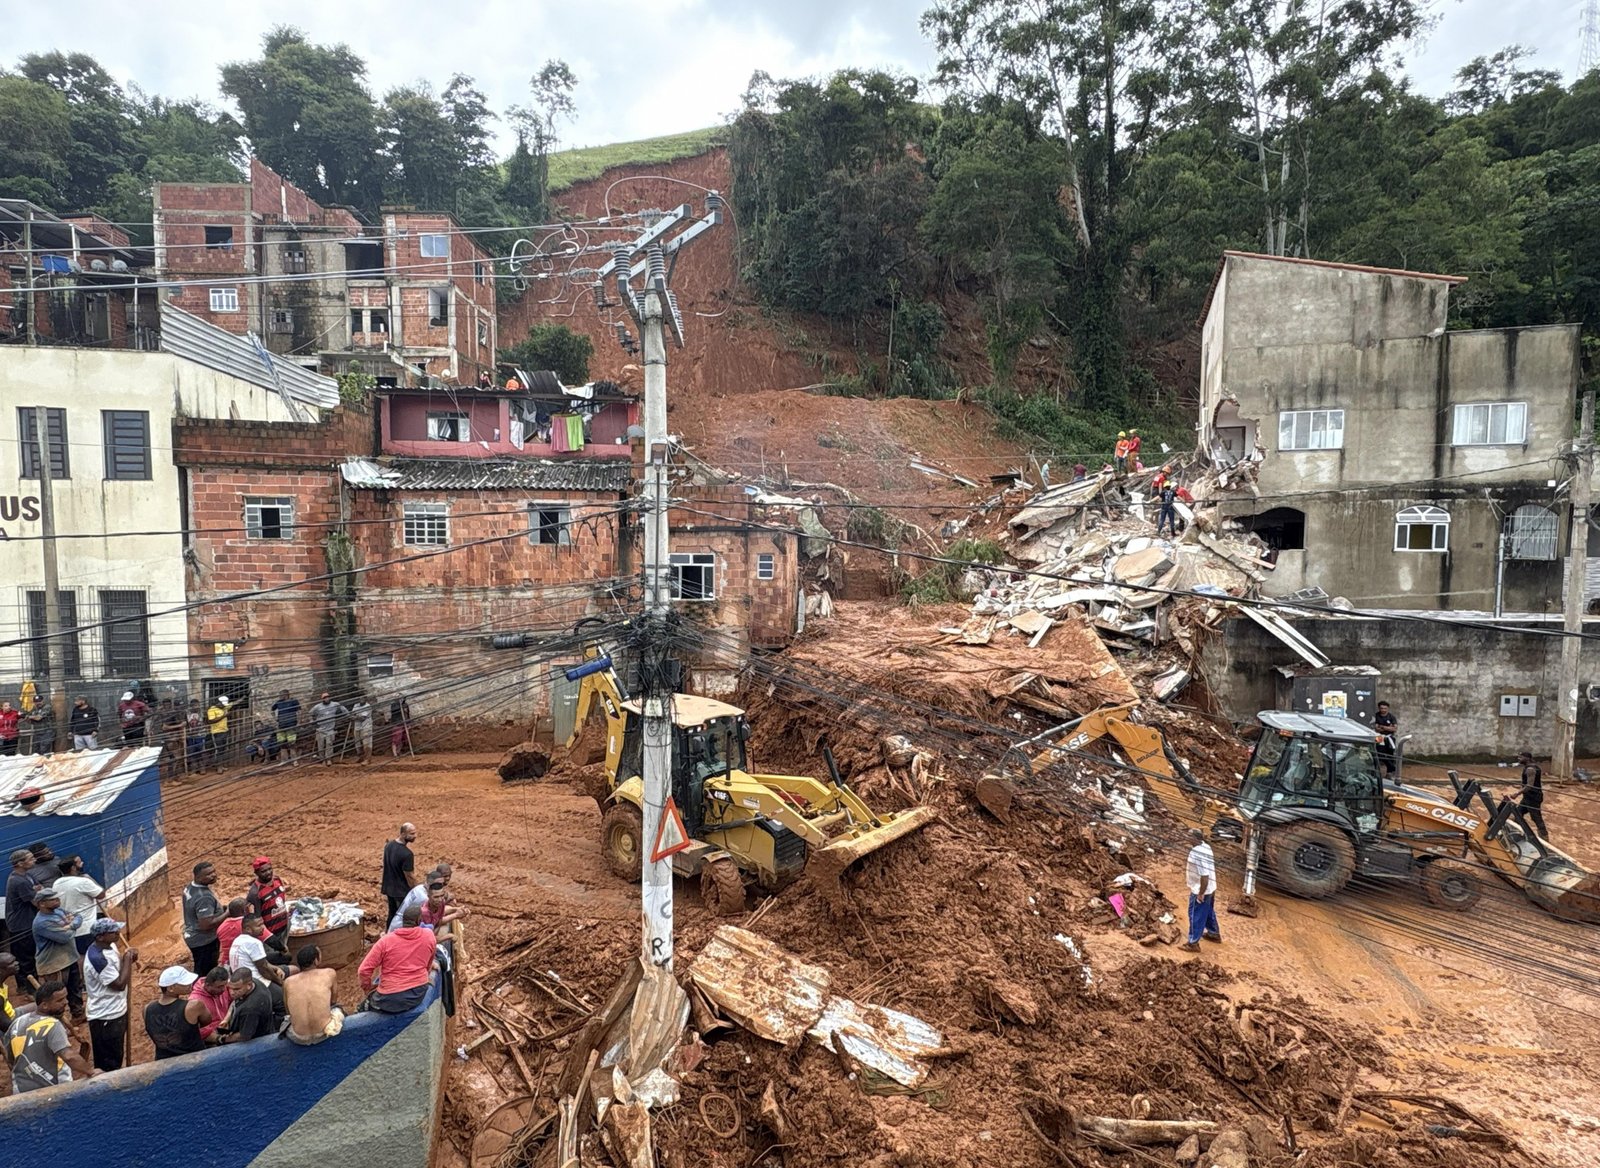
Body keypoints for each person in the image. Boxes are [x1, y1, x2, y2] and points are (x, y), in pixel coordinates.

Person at [6, 980, 98, 1091]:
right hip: (54, 1089)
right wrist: (91, 1071)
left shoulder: (17, 1023)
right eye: (60, 1000)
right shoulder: (52, 1025)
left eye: (65, 997)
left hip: (21, 1090)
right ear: (44, 1005)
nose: (66, 1002)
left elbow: (10, 1058)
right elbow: (69, 1056)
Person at [359, 904, 438, 1013]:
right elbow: (428, 966)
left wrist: (367, 987)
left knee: (364, 1007)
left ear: (403, 920)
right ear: (419, 920)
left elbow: (363, 970)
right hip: (417, 993)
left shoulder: (385, 941)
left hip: (389, 997)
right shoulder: (429, 936)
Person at [82, 918, 136, 1072]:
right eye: (113, 932)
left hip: (116, 1010)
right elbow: (119, 985)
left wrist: (129, 960)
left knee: (116, 1054)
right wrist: (127, 959)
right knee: (109, 1063)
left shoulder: (110, 945)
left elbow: (119, 969)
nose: (118, 934)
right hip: (106, 1016)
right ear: (100, 937)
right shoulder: (97, 959)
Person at [31, 888, 85, 1019]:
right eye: (53, 899)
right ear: (42, 904)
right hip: (54, 964)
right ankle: (57, 1023)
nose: (57, 901)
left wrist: (70, 925)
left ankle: (78, 1015)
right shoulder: (41, 922)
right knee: (57, 997)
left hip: (69, 958)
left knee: (75, 989)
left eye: (57, 898)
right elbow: (65, 937)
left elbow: (78, 917)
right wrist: (71, 926)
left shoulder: (58, 911)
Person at [228, 914, 290, 1014]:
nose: (263, 928)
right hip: (256, 981)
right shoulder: (254, 942)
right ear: (248, 929)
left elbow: (263, 963)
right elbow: (264, 970)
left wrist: (276, 968)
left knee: (292, 969)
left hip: (247, 976)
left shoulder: (238, 940)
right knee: (284, 998)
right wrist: (280, 983)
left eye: (263, 924)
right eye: (259, 925)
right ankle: (280, 1023)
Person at [284, 944, 343, 1046]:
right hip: (324, 1033)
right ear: (316, 960)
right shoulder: (329, 973)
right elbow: (333, 1002)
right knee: (338, 1008)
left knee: (286, 1020)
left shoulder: (288, 982)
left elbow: (288, 1011)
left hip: (298, 1038)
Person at [144, 966, 207, 1059]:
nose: (190, 984)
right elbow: (207, 1021)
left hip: (163, 1061)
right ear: (171, 988)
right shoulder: (193, 1006)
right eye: (184, 982)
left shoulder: (147, 1009)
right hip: (193, 1059)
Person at [52, 855, 106, 954]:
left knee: (79, 956)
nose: (82, 864)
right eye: (79, 863)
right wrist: (90, 880)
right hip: (86, 928)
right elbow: (101, 895)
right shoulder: (83, 882)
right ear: (73, 868)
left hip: (68, 929)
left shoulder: (56, 884)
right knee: (93, 955)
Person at [182, 861, 226, 975]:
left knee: (200, 964)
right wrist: (227, 913)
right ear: (198, 877)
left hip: (191, 933)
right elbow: (206, 925)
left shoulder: (190, 887)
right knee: (205, 972)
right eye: (208, 874)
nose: (213, 875)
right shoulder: (204, 897)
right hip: (204, 941)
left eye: (213, 871)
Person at [1182, 829, 1220, 951]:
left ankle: (1193, 943)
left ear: (1196, 838)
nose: (1187, 838)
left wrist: (1200, 894)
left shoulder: (1197, 853)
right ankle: (1213, 933)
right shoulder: (1206, 846)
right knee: (1208, 911)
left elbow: (1204, 876)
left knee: (1195, 914)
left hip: (1201, 888)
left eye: (1189, 836)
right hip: (1211, 887)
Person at [5, 848, 39, 985]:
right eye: (30, 859)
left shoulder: (26, 876)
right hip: (22, 925)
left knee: (27, 956)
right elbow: (36, 901)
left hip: (24, 922)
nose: (34, 860)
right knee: (26, 959)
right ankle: (28, 988)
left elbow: (38, 889)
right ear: (20, 863)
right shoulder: (20, 881)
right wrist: (36, 892)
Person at [246, 857, 291, 953]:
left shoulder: (277, 880)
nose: (268, 873)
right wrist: (270, 939)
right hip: (270, 936)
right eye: (263, 871)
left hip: (284, 928)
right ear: (256, 873)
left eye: (270, 869)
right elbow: (256, 921)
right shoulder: (255, 893)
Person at [219, 968, 274, 1043]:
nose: (231, 992)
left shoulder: (250, 1008)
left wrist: (222, 1039)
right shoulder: (252, 982)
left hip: (257, 1041)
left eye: (236, 989)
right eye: (229, 988)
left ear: (249, 985)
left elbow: (244, 1036)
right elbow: (235, 1001)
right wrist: (226, 1019)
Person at [389, 864, 450, 931]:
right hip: (402, 926)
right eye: (438, 884)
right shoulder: (425, 899)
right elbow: (435, 921)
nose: (440, 886)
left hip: (397, 921)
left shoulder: (420, 888)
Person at [382, 823, 419, 923]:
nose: (415, 836)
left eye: (415, 833)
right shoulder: (407, 854)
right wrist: (418, 890)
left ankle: (388, 934)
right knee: (402, 918)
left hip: (389, 888)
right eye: (411, 833)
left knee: (392, 914)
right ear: (402, 834)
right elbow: (410, 876)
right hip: (401, 892)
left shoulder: (388, 846)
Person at [188, 967, 232, 1043]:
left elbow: (233, 1001)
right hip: (211, 1039)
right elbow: (198, 1030)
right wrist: (220, 1039)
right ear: (207, 985)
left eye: (225, 985)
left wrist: (227, 1018)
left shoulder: (222, 990)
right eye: (219, 987)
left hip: (226, 1028)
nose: (224, 989)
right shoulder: (195, 1001)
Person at [1516, 751, 1547, 839]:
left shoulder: (1530, 770)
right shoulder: (1530, 767)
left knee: (1536, 818)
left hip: (1533, 797)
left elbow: (1529, 786)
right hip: (1528, 796)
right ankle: (1519, 832)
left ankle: (1544, 837)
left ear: (1527, 758)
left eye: (1521, 757)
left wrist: (1517, 793)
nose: (1519, 759)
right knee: (1518, 814)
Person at [311, 691, 348, 764]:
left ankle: (328, 759)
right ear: (322, 699)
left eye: (328, 697)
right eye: (324, 698)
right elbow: (311, 714)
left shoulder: (335, 704)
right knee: (320, 745)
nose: (326, 699)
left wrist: (347, 716)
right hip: (320, 729)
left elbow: (344, 709)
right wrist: (313, 722)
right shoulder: (317, 707)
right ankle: (322, 759)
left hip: (330, 729)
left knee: (329, 744)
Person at [215, 898, 253, 967]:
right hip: (244, 961)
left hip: (226, 962)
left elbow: (221, 948)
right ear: (244, 910)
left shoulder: (221, 926)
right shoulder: (248, 925)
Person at [271, 689, 302, 766]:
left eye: (281, 695)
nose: (279, 697)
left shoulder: (294, 701)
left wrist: (299, 722)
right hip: (281, 726)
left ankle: (294, 761)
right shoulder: (278, 702)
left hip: (291, 725)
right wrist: (275, 719)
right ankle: (284, 760)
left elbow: (299, 712)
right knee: (282, 744)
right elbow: (272, 710)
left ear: (286, 695)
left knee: (291, 743)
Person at [157, 698, 185, 780]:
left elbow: (182, 723)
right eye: (166, 705)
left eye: (168, 704)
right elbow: (164, 727)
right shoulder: (161, 714)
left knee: (175, 757)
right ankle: (171, 776)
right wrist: (179, 726)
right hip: (168, 737)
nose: (167, 706)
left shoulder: (174, 713)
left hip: (174, 736)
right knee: (174, 757)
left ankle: (173, 775)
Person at [205, 694, 231, 772]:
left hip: (224, 731)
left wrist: (243, 697)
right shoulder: (211, 710)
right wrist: (224, 716)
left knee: (222, 749)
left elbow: (233, 704)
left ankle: (221, 765)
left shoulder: (223, 708)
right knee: (218, 749)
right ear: (218, 703)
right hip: (216, 732)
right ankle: (218, 767)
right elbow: (211, 721)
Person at [1373, 702, 1398, 778]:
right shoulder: (1376, 716)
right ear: (1379, 708)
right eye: (1381, 708)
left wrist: (1382, 727)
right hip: (1379, 737)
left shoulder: (1391, 717)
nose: (1383, 710)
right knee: (1378, 753)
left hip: (1389, 737)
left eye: (1385, 708)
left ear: (1388, 708)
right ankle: (1378, 771)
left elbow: (1394, 728)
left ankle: (1390, 772)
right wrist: (1388, 727)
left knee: (1390, 753)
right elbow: (1376, 729)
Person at [184, 698, 207, 772]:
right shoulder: (187, 713)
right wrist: (188, 732)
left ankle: (202, 767)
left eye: (197, 705)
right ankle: (194, 767)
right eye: (194, 705)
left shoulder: (202, 712)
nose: (196, 707)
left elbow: (205, 722)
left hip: (200, 734)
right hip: (190, 735)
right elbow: (186, 724)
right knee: (192, 751)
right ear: (191, 706)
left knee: (201, 751)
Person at [350, 693, 374, 763]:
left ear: (365, 699)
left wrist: (355, 717)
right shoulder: (356, 705)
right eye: (360, 698)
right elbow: (352, 714)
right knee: (357, 743)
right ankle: (360, 757)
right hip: (357, 727)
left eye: (363, 698)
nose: (361, 700)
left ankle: (367, 759)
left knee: (366, 743)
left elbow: (362, 718)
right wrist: (355, 717)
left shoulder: (367, 706)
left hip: (366, 727)